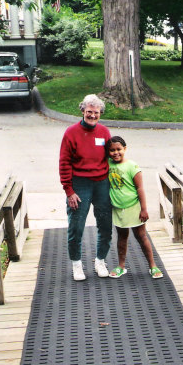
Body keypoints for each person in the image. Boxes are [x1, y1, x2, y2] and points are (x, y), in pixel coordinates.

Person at [59, 94, 112, 281]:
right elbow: (64, 162)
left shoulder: (104, 132)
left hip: (101, 182)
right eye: (89, 112)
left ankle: (100, 260)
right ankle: (76, 264)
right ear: (82, 111)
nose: (92, 116)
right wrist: (69, 190)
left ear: (100, 113)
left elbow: (112, 157)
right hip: (79, 183)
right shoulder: (71, 133)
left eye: (96, 113)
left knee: (105, 224)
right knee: (76, 225)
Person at [106, 136, 163, 279]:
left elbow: (140, 189)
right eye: (112, 150)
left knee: (141, 236)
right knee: (122, 237)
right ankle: (121, 266)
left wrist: (144, 209)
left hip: (134, 207)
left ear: (125, 149)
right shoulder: (108, 164)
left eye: (119, 149)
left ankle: (153, 266)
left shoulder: (132, 166)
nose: (115, 153)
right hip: (118, 208)